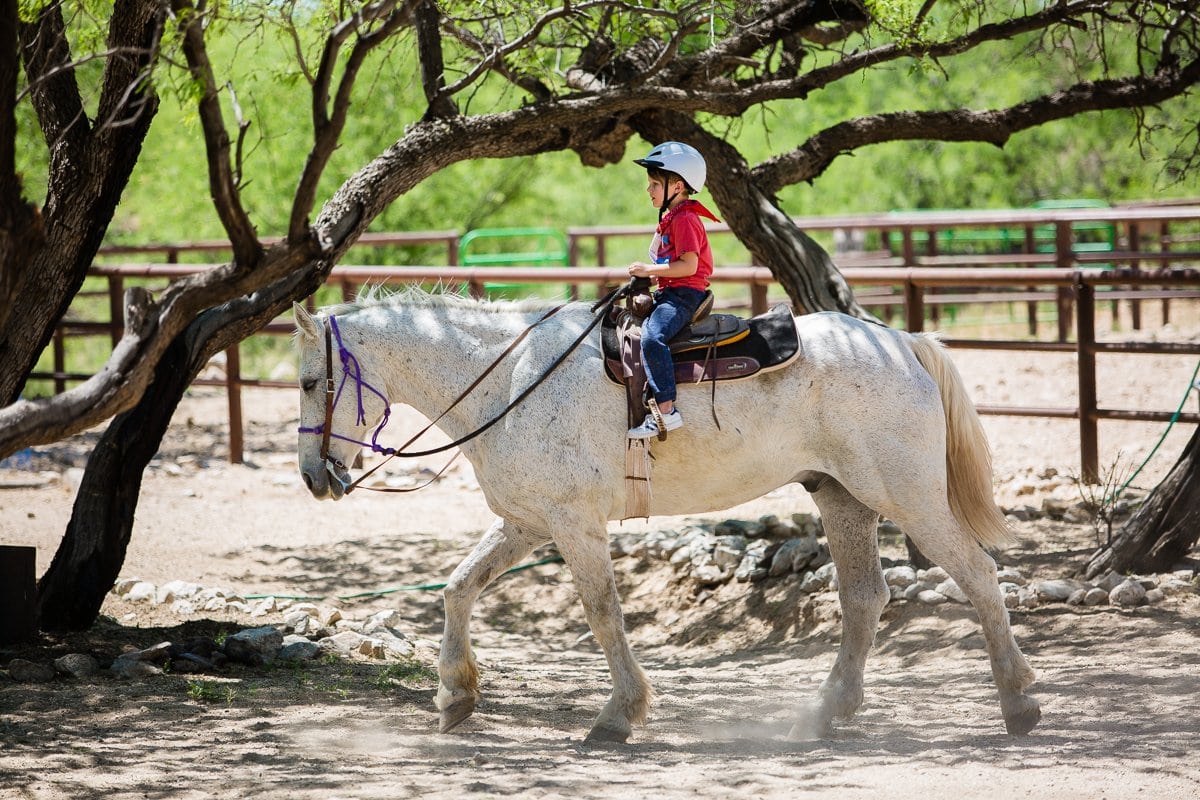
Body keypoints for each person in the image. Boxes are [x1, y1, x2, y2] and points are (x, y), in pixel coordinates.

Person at [626, 141, 721, 439]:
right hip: (672, 291)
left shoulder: (685, 219)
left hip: (683, 295)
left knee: (652, 337)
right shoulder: (674, 217)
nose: (649, 190)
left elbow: (689, 266)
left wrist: (648, 270)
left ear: (677, 186)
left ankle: (666, 410)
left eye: (655, 184)